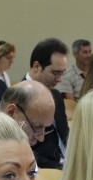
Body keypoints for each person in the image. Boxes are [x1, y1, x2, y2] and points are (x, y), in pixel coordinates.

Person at [24, 38, 69, 169]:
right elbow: (25, 150)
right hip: (46, 169)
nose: (60, 79)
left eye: (62, 73)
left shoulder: (56, 95)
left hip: (67, 162)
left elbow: (65, 133)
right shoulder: (19, 97)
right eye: (55, 73)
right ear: (37, 66)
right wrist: (61, 167)